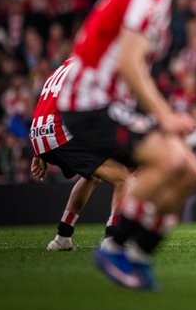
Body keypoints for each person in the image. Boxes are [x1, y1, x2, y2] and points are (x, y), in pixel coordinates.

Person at [57, 0, 196, 289]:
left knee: (189, 169)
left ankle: (139, 257)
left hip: (108, 103)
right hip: (90, 103)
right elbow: (129, 62)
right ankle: (114, 247)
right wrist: (165, 116)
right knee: (170, 161)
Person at [29, 57, 130, 251]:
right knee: (123, 178)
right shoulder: (93, 64)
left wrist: (38, 151)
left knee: (92, 175)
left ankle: (63, 237)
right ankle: (113, 240)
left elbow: (46, 105)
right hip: (60, 131)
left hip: (39, 133)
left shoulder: (62, 67)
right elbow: (94, 107)